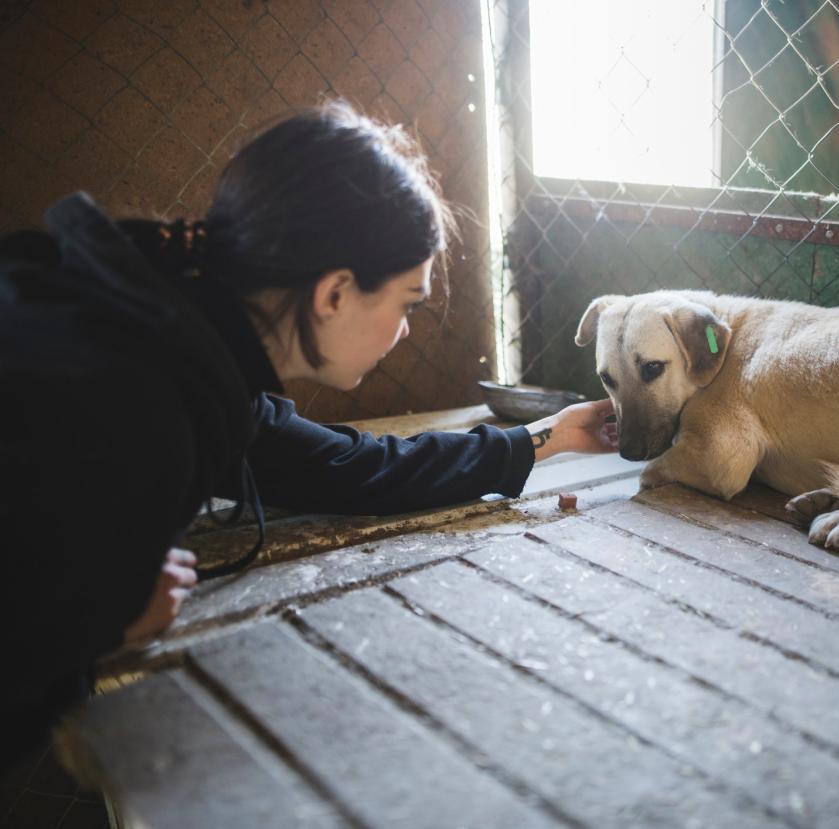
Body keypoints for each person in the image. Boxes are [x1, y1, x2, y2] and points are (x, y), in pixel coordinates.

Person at [0, 100, 618, 768]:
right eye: (407, 303)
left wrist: (541, 438)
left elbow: (341, 466)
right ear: (334, 293)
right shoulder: (144, 404)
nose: (405, 330)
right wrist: (100, 619)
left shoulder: (188, 340)